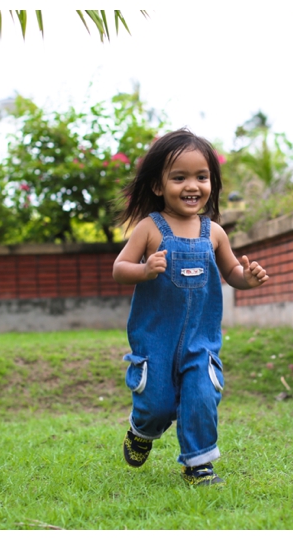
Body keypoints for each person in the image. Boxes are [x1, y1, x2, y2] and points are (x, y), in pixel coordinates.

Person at [112, 128, 269, 486]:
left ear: (212, 182)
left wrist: (249, 277)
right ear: (157, 185)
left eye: (202, 177)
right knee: (158, 404)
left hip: (201, 340)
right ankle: (142, 431)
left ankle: (198, 464)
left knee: (201, 396)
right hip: (156, 341)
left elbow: (231, 272)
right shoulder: (149, 228)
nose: (192, 186)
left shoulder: (213, 232)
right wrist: (145, 269)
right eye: (179, 177)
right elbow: (120, 269)